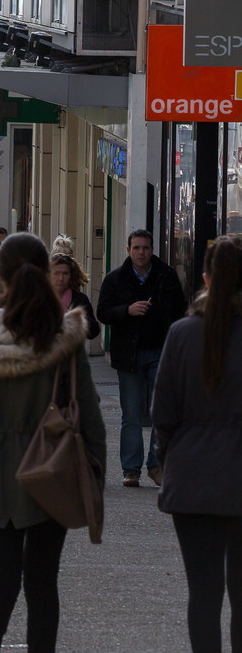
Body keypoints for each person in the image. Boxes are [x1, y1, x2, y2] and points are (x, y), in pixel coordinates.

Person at [0, 233, 105, 653]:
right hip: (51, 466)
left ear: (0, 274)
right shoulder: (63, 338)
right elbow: (87, 411)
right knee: (42, 584)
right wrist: (95, 474)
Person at [153, 235, 242, 653]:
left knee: (203, 595)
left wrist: (168, 460)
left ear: (205, 278)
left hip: (193, 477)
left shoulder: (183, 333)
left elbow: (164, 413)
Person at [97, 228, 187, 487]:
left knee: (161, 411)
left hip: (161, 351)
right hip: (129, 355)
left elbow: (179, 310)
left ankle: (156, 465)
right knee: (131, 414)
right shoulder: (116, 279)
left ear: (152, 250)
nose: (141, 252)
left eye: (145, 248)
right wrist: (127, 310)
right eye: (136, 248)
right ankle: (131, 469)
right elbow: (103, 312)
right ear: (128, 250)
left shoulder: (166, 276)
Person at [47, 245, 100, 341]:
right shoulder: (39, 297)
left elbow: (94, 331)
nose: (61, 278)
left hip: (72, 353)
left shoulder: (79, 299)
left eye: (65, 274)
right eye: (57, 273)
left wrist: (77, 321)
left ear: (71, 276)